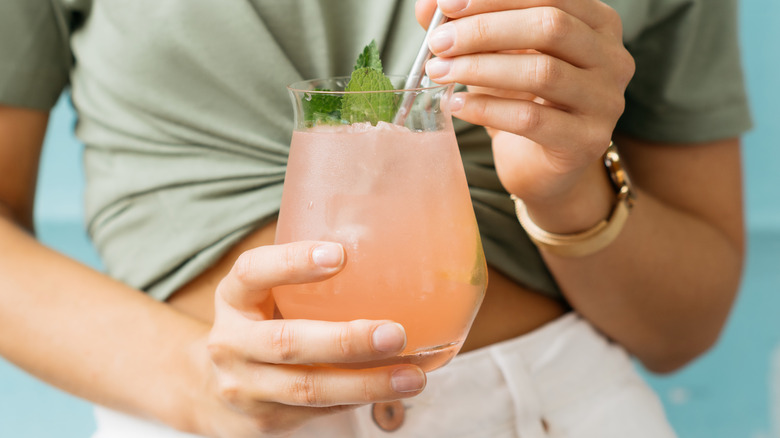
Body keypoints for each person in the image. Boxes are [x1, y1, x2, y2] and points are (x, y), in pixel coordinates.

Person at [0, 0, 751, 436]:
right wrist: (196, 380)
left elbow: (681, 330)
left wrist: (564, 191)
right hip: (206, 420)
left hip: (553, 408)